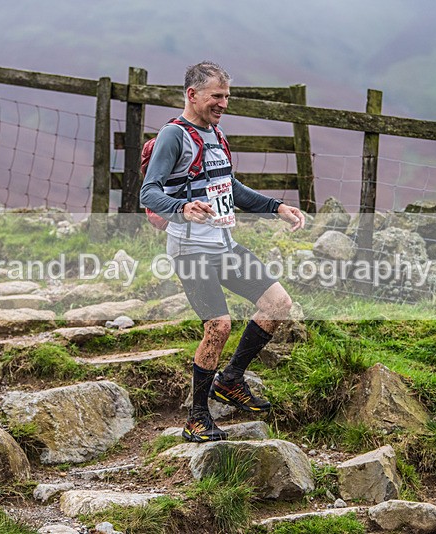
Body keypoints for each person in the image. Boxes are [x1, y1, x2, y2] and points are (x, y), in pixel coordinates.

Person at [139, 61, 306, 442]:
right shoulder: (173, 136)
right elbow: (148, 192)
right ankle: (197, 417)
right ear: (192, 94)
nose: (223, 104)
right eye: (217, 96)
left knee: (278, 304)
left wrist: (275, 207)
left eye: (227, 96)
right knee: (218, 326)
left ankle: (230, 380)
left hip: (224, 245)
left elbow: (230, 186)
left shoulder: (214, 134)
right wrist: (181, 209)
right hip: (190, 250)